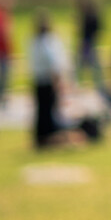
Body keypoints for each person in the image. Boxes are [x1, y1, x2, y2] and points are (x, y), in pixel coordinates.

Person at [30, 10, 71, 149]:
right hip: (48, 81)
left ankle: (42, 138)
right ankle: (49, 138)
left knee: (42, 111)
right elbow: (54, 64)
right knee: (49, 111)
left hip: (39, 80)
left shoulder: (34, 41)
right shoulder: (48, 41)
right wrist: (58, 82)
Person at [74, 0, 111, 106]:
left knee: (93, 69)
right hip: (87, 44)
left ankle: (98, 89)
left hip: (89, 44)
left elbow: (94, 31)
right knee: (84, 68)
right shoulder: (87, 15)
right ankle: (84, 88)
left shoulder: (90, 16)